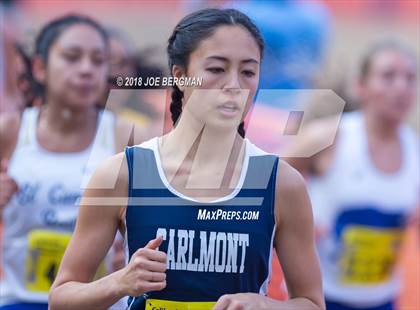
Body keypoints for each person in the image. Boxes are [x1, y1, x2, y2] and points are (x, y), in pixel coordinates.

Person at [49, 8, 324, 310]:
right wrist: (119, 282)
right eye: (217, 69)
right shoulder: (123, 174)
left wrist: (266, 305)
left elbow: (311, 303)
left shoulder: (282, 183)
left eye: (248, 71)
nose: (233, 85)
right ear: (180, 76)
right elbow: (61, 299)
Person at [0, 14, 143, 310]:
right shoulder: (10, 131)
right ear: (40, 67)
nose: (87, 70)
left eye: (98, 60)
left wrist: (131, 247)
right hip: (18, 300)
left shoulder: (129, 137)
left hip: (98, 304)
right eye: (72, 57)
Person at [286, 41, 419, 310]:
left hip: (382, 301)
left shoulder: (415, 149)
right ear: (361, 86)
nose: (401, 87)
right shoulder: (328, 136)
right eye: (388, 76)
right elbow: (262, 186)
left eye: (410, 78)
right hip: (320, 300)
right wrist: (298, 225)